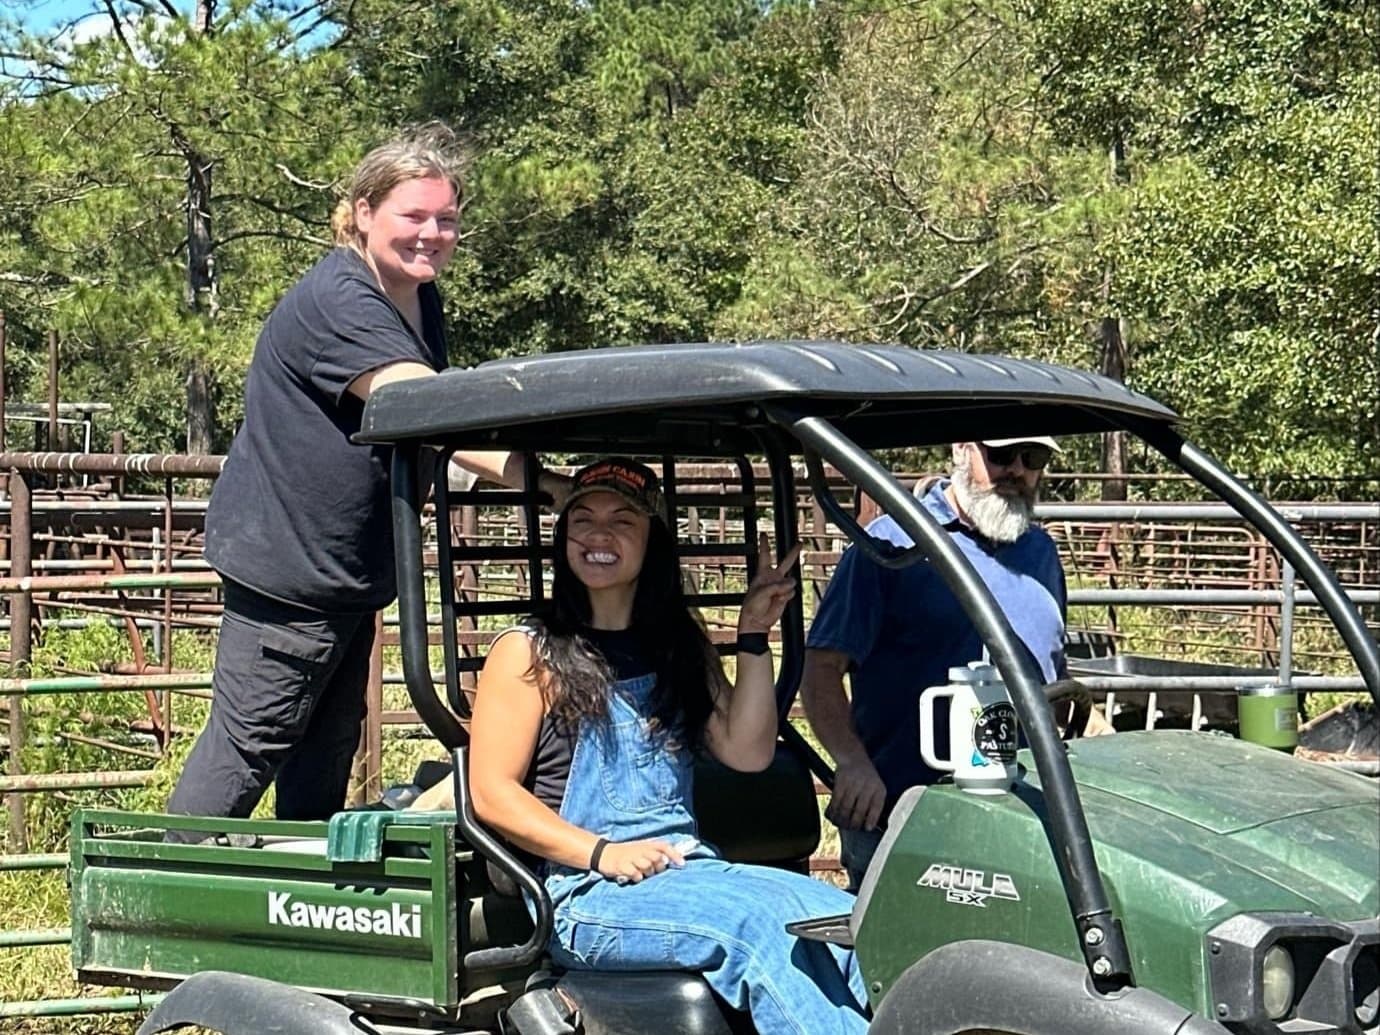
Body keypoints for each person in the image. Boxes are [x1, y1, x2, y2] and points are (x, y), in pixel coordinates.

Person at [167, 125, 560, 836]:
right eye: (414, 215)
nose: (433, 233)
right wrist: (546, 482)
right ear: (362, 212)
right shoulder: (342, 300)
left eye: (447, 218)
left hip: (342, 575)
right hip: (290, 575)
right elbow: (424, 410)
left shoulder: (414, 296)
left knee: (323, 758)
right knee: (248, 746)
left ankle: (301, 921)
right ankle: (147, 908)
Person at [469, 458, 869, 1035]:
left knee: (838, 917)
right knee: (756, 927)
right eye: (582, 520)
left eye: (622, 521)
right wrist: (602, 852)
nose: (599, 536)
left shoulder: (676, 644)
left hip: (685, 871)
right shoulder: (529, 650)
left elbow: (748, 750)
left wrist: (751, 633)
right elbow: (492, 793)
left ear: (651, 541)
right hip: (586, 894)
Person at [802, 436, 1071, 890]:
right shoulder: (890, 546)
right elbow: (821, 669)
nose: (1019, 471)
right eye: (1002, 456)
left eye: (1034, 459)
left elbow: (1052, 673)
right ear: (962, 450)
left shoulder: (1040, 553)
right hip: (906, 814)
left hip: (1022, 813)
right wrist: (852, 762)